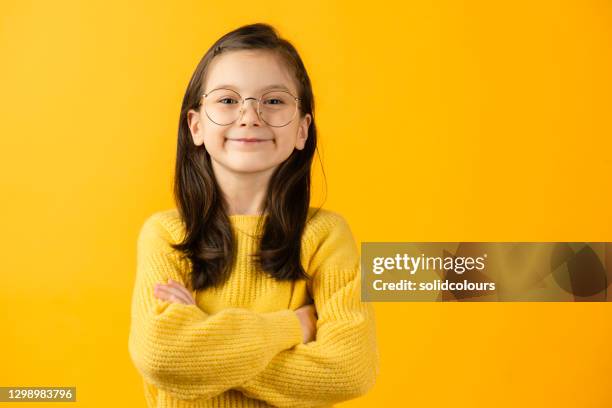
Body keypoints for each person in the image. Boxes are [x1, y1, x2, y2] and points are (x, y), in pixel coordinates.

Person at [128, 22, 379, 408]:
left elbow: (349, 370)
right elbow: (163, 356)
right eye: (228, 100)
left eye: (274, 100)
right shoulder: (167, 234)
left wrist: (205, 347)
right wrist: (293, 326)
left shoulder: (326, 236)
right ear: (196, 126)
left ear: (302, 130)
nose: (249, 116)